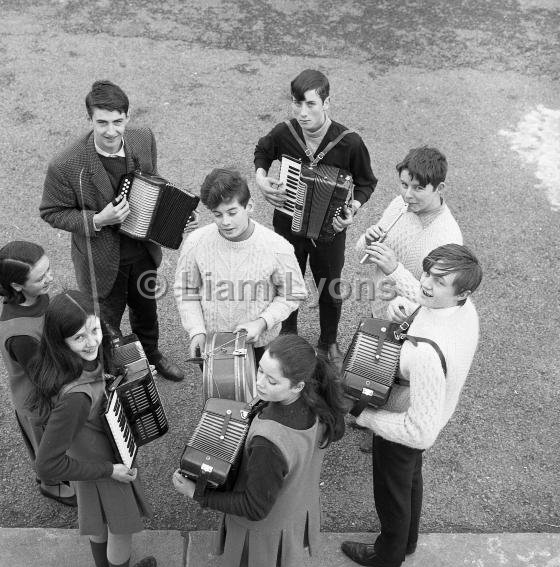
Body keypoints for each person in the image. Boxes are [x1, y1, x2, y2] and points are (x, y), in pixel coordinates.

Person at [341, 244, 483, 567]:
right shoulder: (464, 308)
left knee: (391, 490)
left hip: (406, 419)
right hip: (435, 407)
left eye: (439, 281)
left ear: (462, 291)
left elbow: (418, 433)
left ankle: (388, 555)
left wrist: (365, 416)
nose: (427, 284)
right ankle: (407, 541)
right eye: (428, 273)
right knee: (409, 480)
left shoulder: (425, 354)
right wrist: (397, 275)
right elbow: (424, 298)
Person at [40, 79, 185, 382]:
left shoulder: (143, 138)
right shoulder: (65, 165)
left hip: (142, 249)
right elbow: (51, 212)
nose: (110, 131)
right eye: (101, 122)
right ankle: (115, 372)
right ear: (89, 119)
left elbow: (153, 180)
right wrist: (96, 219)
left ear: (127, 118)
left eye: (117, 121)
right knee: (106, 324)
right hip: (100, 258)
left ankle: (152, 354)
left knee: (146, 310)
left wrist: (179, 212)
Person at [172, 333, 347, 567]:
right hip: (295, 507)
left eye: (272, 381)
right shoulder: (317, 403)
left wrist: (197, 493)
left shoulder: (268, 443)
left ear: (298, 385)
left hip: (265, 530)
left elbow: (254, 508)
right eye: (260, 370)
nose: (260, 383)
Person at [254, 69, 378, 369]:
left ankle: (328, 341)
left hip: (330, 232)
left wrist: (353, 209)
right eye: (296, 103)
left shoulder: (349, 143)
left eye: (310, 104)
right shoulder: (285, 133)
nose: (302, 112)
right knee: (287, 283)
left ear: (327, 103)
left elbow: (366, 182)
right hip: (287, 225)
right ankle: (288, 333)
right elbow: (262, 151)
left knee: (330, 287)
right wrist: (260, 178)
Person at [31, 290, 156, 567]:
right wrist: (110, 470)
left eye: (95, 329)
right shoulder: (76, 398)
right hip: (106, 469)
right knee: (120, 534)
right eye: (79, 337)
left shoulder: (68, 366)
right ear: (60, 341)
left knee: (99, 526)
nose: (93, 342)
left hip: (89, 467)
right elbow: (46, 464)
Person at [173, 168, 307, 365]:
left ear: (249, 206)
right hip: (212, 344)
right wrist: (196, 331)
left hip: (261, 346)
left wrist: (262, 323)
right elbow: (186, 289)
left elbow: (293, 293)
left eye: (232, 212)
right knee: (219, 396)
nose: (225, 222)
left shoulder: (278, 248)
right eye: (217, 215)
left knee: (261, 395)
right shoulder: (196, 242)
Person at [0, 240, 76, 506]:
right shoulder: (20, 334)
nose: (50, 279)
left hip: (50, 388)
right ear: (17, 286)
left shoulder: (35, 298)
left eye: (49, 269)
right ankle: (49, 484)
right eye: (41, 277)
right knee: (48, 448)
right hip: (40, 402)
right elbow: (45, 379)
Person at [357, 146, 462, 321]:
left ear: (440, 187)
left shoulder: (449, 238)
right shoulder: (399, 204)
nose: (407, 195)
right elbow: (362, 257)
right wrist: (368, 243)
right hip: (378, 312)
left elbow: (438, 301)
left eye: (418, 188)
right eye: (404, 185)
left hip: (409, 326)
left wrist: (394, 270)